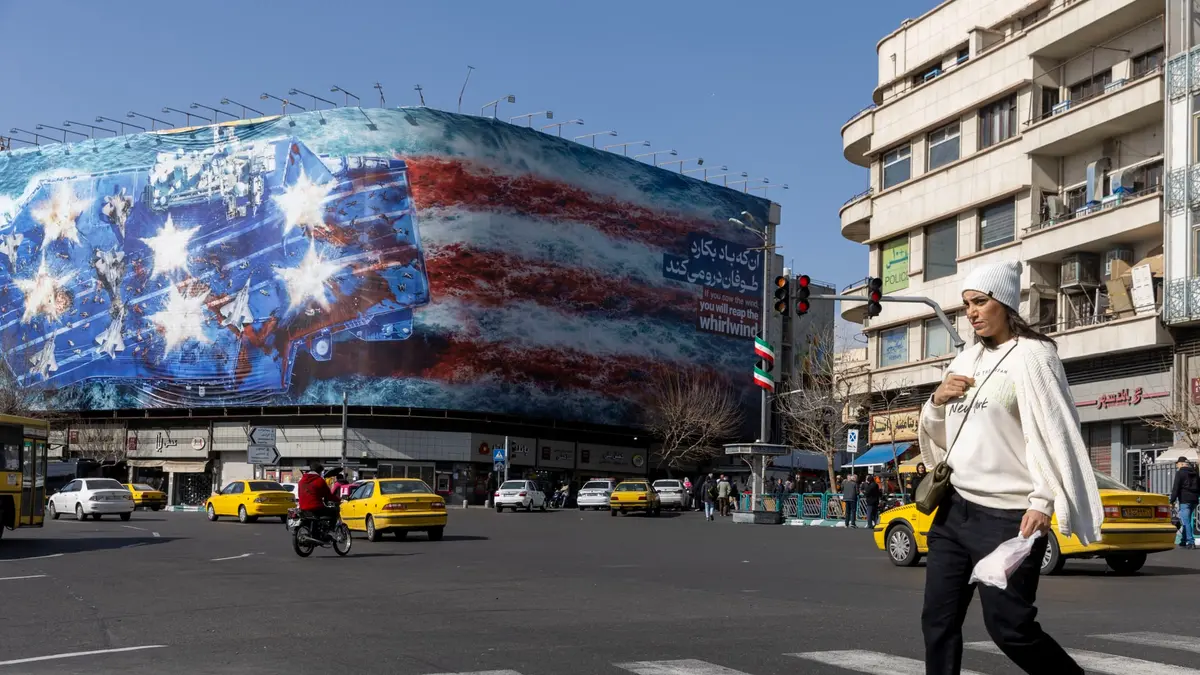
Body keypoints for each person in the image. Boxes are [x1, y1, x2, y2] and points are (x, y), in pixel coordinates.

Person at [918, 261, 1103, 675]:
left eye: (980, 302)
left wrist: (1043, 501)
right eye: (967, 305)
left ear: (1004, 302)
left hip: (1008, 518)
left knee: (1009, 627)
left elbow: (1056, 432)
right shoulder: (964, 359)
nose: (972, 312)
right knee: (937, 621)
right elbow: (939, 434)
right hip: (954, 510)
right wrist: (936, 400)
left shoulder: (1034, 356)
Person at [298, 461, 340, 532]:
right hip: (316, 508)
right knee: (334, 511)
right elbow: (328, 495)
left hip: (303, 508)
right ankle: (331, 530)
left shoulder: (301, 481)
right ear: (319, 471)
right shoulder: (320, 480)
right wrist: (338, 499)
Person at [1170, 456, 1199, 550]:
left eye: (1177, 463)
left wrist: (1172, 501)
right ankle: (1183, 540)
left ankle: (1191, 542)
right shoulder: (1195, 473)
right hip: (1194, 500)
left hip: (1184, 500)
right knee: (1187, 520)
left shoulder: (1180, 473)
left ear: (1182, 464)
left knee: (1185, 521)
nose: (1177, 465)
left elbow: (1176, 488)